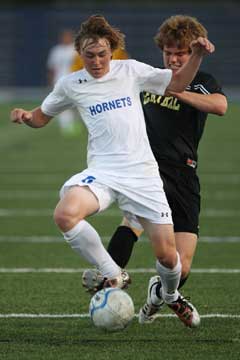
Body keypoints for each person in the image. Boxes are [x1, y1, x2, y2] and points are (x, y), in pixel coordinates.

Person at [11, 15, 215, 328]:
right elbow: (41, 116)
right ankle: (113, 273)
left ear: (112, 51)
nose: (96, 61)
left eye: (102, 54)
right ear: (80, 53)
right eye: (89, 55)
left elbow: (177, 84)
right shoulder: (71, 84)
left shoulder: (130, 70)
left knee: (167, 258)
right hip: (103, 172)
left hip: (143, 176)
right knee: (65, 214)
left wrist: (198, 54)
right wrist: (27, 116)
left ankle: (171, 296)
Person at [82, 15, 227, 325]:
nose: (173, 59)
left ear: (191, 54)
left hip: (183, 175)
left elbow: (220, 106)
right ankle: (109, 278)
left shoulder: (203, 81)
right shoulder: (149, 76)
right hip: (143, 169)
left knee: (181, 266)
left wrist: (177, 91)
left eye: (181, 53)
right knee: (131, 221)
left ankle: (161, 293)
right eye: (168, 53)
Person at [46, 29, 80, 136]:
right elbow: (52, 68)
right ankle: (67, 128)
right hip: (59, 81)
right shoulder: (56, 50)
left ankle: (76, 124)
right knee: (62, 105)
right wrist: (51, 82)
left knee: (78, 104)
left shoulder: (76, 50)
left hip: (74, 80)